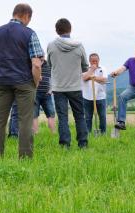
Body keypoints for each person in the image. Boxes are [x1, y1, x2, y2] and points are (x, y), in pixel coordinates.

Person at [0, 3, 44, 158]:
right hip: (24, 82)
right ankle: (25, 157)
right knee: (25, 121)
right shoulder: (29, 33)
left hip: (2, 82)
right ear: (26, 16)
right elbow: (37, 63)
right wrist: (36, 82)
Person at [47, 18, 89, 149]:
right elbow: (85, 66)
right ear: (70, 29)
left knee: (62, 117)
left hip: (58, 87)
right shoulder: (79, 45)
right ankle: (83, 143)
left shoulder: (51, 45)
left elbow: (49, 65)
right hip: (75, 86)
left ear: (56, 30)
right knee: (79, 116)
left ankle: (65, 144)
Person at [81, 53, 108, 134]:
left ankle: (103, 133)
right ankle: (87, 133)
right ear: (89, 61)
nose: (94, 63)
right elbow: (84, 78)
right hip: (87, 97)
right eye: (93, 61)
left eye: (96, 61)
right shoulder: (85, 69)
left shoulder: (103, 68)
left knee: (102, 116)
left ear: (99, 60)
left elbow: (104, 80)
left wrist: (93, 78)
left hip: (100, 97)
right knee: (88, 118)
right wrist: (91, 70)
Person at [33, 60, 56, 134]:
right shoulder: (32, 64)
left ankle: (53, 133)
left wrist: (51, 90)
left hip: (47, 94)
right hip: (35, 94)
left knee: (51, 114)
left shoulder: (48, 66)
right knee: (34, 114)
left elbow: (53, 78)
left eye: (41, 56)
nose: (40, 57)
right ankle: (36, 134)